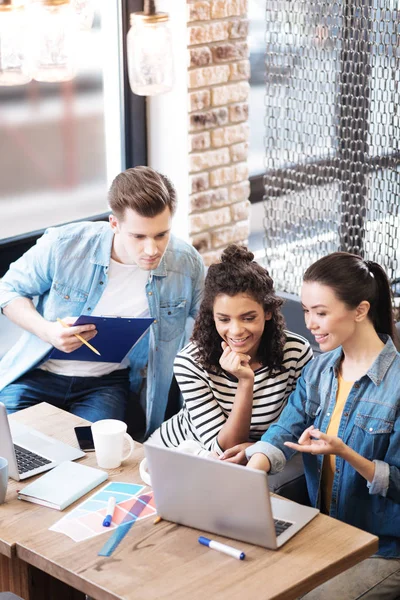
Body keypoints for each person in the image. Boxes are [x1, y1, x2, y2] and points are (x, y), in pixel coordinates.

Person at [0, 166, 205, 434]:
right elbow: (8, 290)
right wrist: (48, 331)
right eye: (138, 236)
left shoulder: (185, 264)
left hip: (105, 384)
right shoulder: (65, 245)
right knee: (14, 451)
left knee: (96, 459)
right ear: (114, 224)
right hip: (38, 375)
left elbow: (211, 321)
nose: (152, 249)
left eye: (161, 234)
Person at [242, 252, 400, 599]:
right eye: (307, 311)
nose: (309, 323)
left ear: (360, 310)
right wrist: (251, 475)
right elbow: (285, 428)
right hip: (326, 531)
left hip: (383, 548)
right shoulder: (319, 369)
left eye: (321, 313)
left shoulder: (397, 385)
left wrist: (348, 454)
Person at [150, 245, 313, 457]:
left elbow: (300, 425)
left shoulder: (296, 353)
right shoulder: (190, 362)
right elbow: (224, 449)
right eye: (224, 319)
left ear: (268, 312)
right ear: (212, 317)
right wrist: (245, 382)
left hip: (250, 456)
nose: (235, 331)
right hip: (179, 451)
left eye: (248, 318)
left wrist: (259, 448)